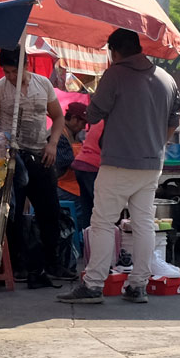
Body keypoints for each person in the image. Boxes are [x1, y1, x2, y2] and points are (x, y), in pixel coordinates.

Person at [59, 28, 180, 305]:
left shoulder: (114, 74)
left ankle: (93, 285)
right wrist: (156, 145)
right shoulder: (166, 78)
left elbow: (93, 114)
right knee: (143, 225)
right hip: (152, 164)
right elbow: (175, 118)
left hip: (118, 162)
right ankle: (138, 284)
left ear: (114, 51)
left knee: (102, 222)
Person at [0, 48, 65, 290]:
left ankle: (52, 262)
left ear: (26, 65)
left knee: (50, 212)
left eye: (13, 71)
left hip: (42, 155)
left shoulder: (43, 85)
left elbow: (58, 118)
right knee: (13, 216)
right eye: (6, 72)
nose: (10, 76)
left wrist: (52, 144)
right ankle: (19, 264)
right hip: (13, 158)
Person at [63, 104, 102, 254]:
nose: (82, 126)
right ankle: (99, 251)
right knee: (100, 211)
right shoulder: (60, 134)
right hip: (68, 182)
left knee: (89, 211)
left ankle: (90, 250)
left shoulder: (97, 124)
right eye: (81, 122)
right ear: (73, 118)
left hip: (81, 172)